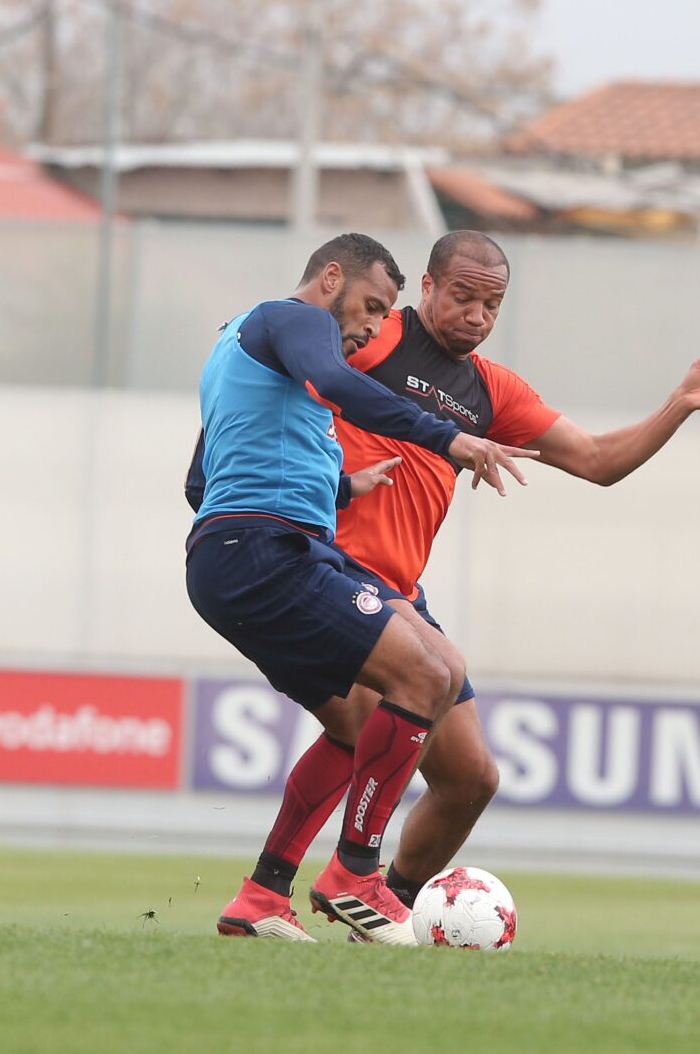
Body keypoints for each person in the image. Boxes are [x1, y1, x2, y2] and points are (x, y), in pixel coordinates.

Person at [235, 230, 700, 935]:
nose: (477, 315)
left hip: (403, 592)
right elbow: (297, 379)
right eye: (463, 296)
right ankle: (306, 884)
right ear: (426, 286)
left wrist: (679, 404)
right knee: (361, 722)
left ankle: (385, 907)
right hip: (335, 570)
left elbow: (598, 460)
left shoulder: (490, 391)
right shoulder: (372, 337)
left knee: (471, 778)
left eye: (492, 304)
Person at [187, 232, 535, 945]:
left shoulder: (241, 347)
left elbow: (202, 482)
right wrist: (448, 437)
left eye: (383, 314)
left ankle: (261, 895)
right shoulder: (292, 319)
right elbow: (340, 383)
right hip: (268, 552)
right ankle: (355, 872)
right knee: (427, 672)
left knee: (365, 717)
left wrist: (339, 487)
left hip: (238, 554)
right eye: (371, 306)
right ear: (330, 278)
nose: (374, 327)